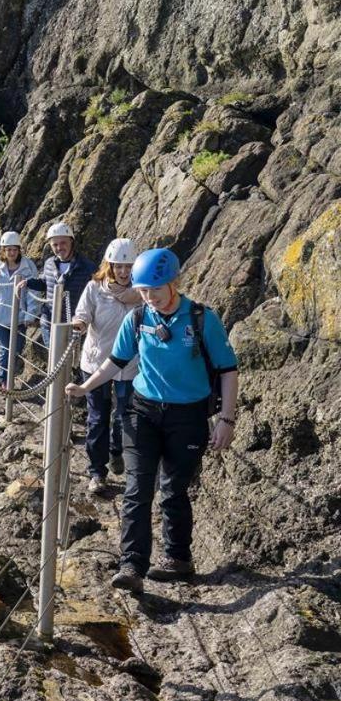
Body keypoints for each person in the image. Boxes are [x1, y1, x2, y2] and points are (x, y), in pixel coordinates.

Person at [65, 248, 239, 593]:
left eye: (155, 289)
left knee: (173, 490)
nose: (149, 296)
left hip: (188, 416)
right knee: (137, 488)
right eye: (144, 290)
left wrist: (226, 419)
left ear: (174, 282)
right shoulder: (139, 318)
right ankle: (132, 565)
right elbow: (115, 361)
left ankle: (178, 559)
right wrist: (85, 387)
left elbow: (228, 370)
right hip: (143, 411)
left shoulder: (203, 318)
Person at [72, 238, 141, 497]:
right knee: (98, 418)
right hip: (97, 362)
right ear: (109, 266)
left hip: (129, 366)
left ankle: (115, 451)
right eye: (118, 266)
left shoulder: (142, 293)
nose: (123, 272)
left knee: (124, 416)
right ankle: (97, 472)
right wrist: (79, 323)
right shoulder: (94, 289)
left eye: (128, 266)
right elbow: (83, 313)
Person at [25, 221, 96, 346]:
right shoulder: (49, 263)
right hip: (49, 322)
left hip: (74, 324)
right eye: (55, 245)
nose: (59, 248)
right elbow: (44, 283)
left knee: (67, 362)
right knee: (54, 359)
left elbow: (96, 292)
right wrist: (26, 282)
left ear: (71, 242)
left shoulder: (87, 267)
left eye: (63, 243)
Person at [0, 231, 38, 388]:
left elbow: (34, 293)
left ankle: (8, 377)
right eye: (8, 249)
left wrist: (30, 314)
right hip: (1, 314)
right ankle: (3, 381)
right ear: (3, 250)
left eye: (14, 249)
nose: (11, 252)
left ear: (19, 249)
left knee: (16, 349)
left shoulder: (28, 267)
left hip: (19, 316)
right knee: (5, 349)